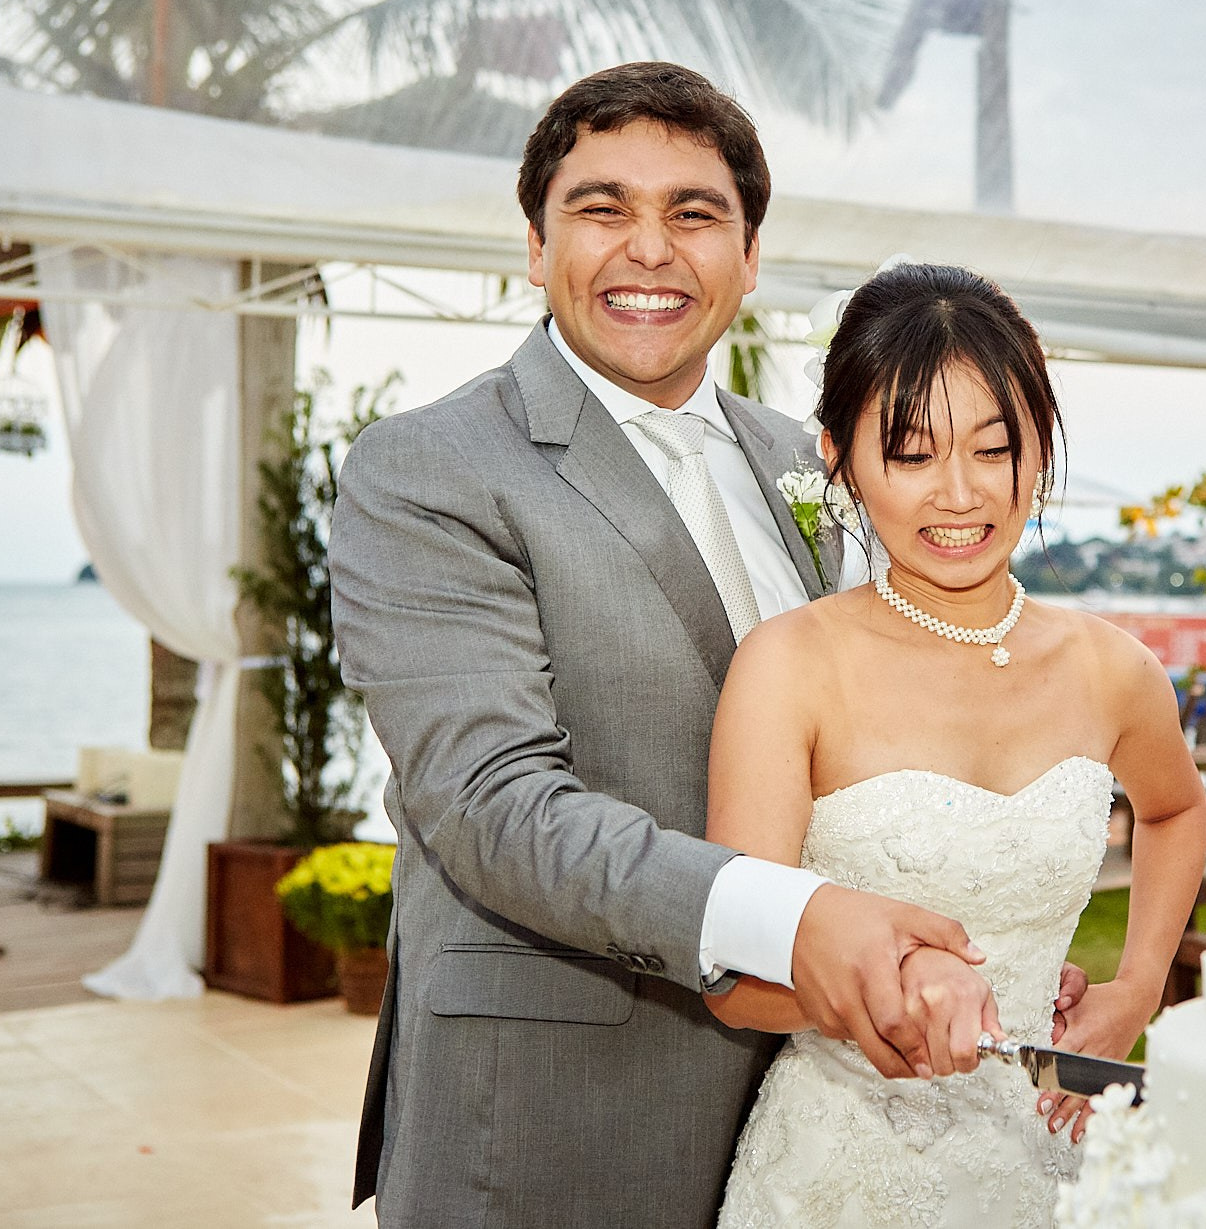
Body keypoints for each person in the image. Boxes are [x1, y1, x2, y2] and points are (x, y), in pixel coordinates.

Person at [330, 64, 1079, 1229]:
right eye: (600, 208)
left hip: (810, 1119)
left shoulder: (816, 457)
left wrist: (985, 944)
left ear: (747, 254)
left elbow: (896, 713)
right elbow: (489, 805)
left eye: (692, 213)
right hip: (553, 1123)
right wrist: (791, 924)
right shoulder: (429, 468)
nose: (649, 249)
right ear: (535, 246)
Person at [710, 263, 1206, 1227]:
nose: (960, 493)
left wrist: (1138, 983)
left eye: (994, 447)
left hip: (1049, 1152)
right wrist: (878, 993)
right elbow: (734, 977)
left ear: (1037, 453)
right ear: (839, 456)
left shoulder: (1112, 668)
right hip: (839, 1173)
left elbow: (1176, 807)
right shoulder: (790, 666)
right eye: (911, 453)